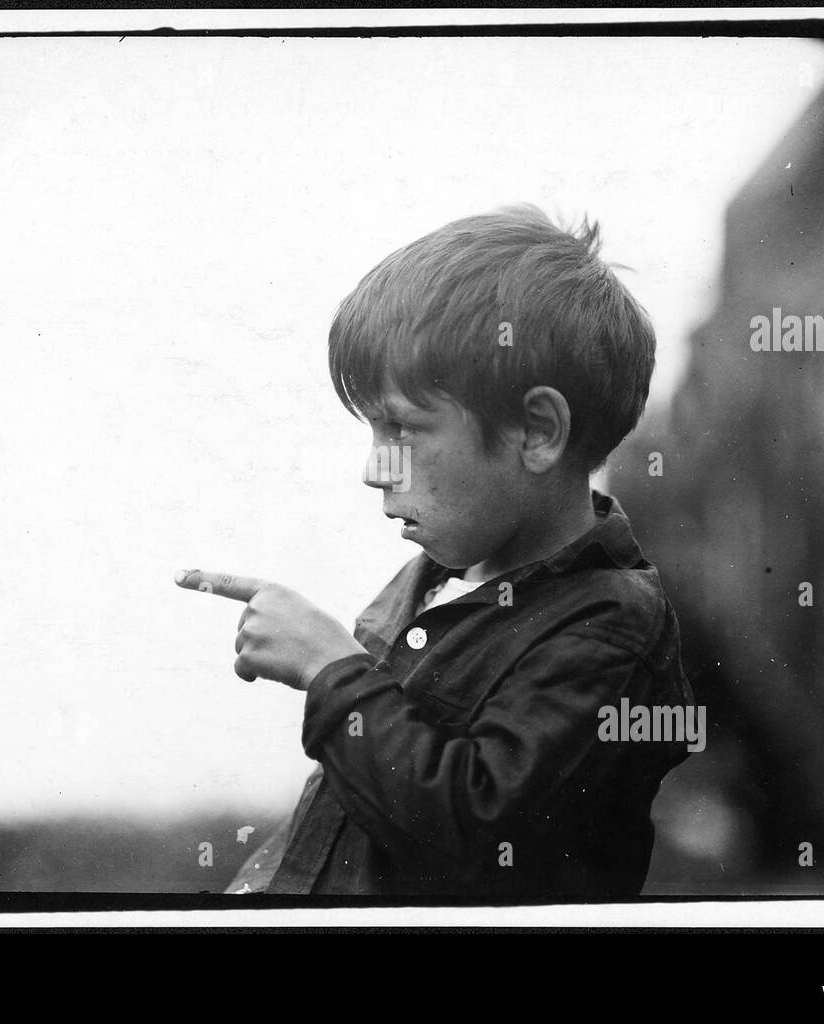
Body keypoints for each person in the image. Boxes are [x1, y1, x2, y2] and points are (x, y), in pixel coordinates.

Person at [175, 204, 695, 898]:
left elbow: (476, 832)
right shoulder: (435, 579)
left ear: (537, 431)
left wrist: (334, 672)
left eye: (403, 429)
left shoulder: (608, 627)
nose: (374, 469)